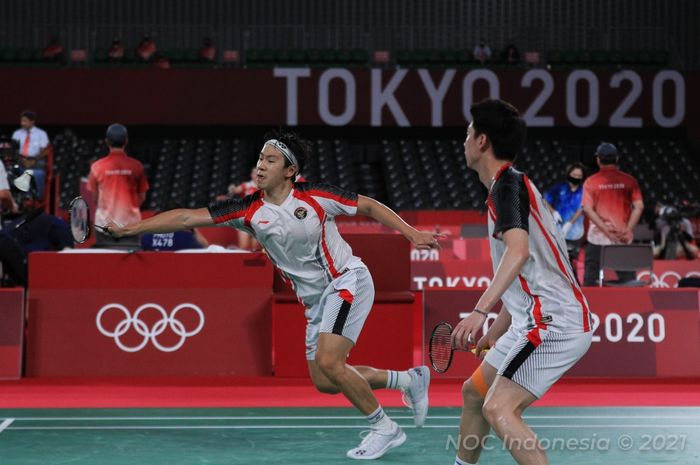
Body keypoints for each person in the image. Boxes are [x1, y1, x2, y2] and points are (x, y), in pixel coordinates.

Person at [103, 130, 441, 460]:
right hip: (314, 303)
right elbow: (187, 217)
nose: (261, 166)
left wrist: (410, 234)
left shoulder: (315, 197)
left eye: (271, 160)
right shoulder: (248, 210)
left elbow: (367, 205)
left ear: (290, 171)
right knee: (326, 381)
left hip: (345, 281)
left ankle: (384, 427)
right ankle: (407, 379)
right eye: (260, 159)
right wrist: (131, 229)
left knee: (330, 361)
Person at [451, 99, 593, 465]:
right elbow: (527, 283)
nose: (463, 140)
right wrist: (496, 330)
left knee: (499, 408)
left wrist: (480, 312)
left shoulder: (507, 187)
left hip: (554, 323)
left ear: (482, 141)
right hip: (532, 318)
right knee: (474, 393)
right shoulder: (512, 188)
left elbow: (519, 254)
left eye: (468, 133)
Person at [581, 143, 644, 286]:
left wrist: (605, 230)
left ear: (598, 160)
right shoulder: (629, 180)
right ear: (617, 159)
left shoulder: (591, 182)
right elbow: (639, 206)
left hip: (597, 239)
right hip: (621, 239)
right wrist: (628, 229)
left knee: (590, 284)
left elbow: (587, 209)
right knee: (629, 283)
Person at [87, 124, 149, 248]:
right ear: (126, 141)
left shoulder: (97, 166)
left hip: (105, 227)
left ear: (107, 141)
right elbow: (142, 197)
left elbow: (94, 198)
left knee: (106, 265)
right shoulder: (137, 166)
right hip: (131, 227)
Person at [544, 163, 586, 273]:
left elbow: (582, 208)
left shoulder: (584, 190)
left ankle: (573, 281)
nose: (576, 177)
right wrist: (554, 212)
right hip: (557, 230)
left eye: (579, 176)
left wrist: (570, 223)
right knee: (556, 259)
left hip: (575, 232)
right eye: (574, 174)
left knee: (572, 259)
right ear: (569, 174)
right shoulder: (559, 188)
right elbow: (544, 200)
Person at [12, 110, 50, 199]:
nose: (22, 123)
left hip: (36, 161)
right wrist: (22, 160)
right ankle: (25, 195)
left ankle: (39, 196)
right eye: (21, 121)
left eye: (25, 121)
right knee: (14, 169)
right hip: (20, 160)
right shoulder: (17, 134)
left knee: (39, 173)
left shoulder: (41, 134)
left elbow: (45, 151)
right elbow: (13, 150)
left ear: (32, 121)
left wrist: (34, 160)